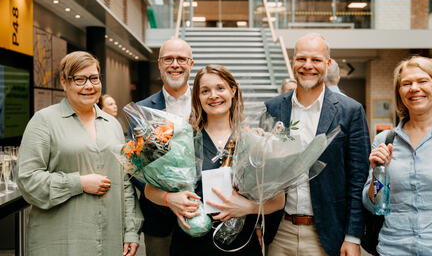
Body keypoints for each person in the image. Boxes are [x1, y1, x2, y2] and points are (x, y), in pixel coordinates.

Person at [144, 64, 285, 256]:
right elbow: (150, 190)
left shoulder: (254, 141)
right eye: (205, 91)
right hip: (191, 244)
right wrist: (170, 199)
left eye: (220, 88)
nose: (213, 95)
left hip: (241, 245)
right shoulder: (183, 140)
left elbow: (278, 201)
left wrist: (249, 207)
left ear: (232, 91)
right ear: (198, 98)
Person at [17, 51, 142, 256]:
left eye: (94, 78)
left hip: (110, 240)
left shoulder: (113, 125)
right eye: (79, 79)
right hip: (61, 241)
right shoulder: (43, 121)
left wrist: (131, 231)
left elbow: (125, 183)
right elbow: (28, 180)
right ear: (64, 82)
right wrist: (79, 183)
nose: (89, 86)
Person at [264, 33, 370, 256]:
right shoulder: (272, 108)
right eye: (301, 59)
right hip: (278, 232)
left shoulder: (350, 111)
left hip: (327, 233)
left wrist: (353, 237)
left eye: (316, 60)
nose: (307, 66)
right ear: (293, 61)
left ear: (328, 64)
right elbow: (261, 174)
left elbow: (358, 178)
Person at [363, 56, 432, 255]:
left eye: (422, 81)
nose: (414, 88)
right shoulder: (384, 140)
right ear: (399, 93)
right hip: (394, 249)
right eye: (406, 84)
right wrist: (379, 171)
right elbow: (374, 206)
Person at [132, 38, 194, 256]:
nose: (175, 64)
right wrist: (166, 195)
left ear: (191, 64)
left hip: (199, 210)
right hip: (158, 218)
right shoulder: (142, 110)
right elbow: (137, 165)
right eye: (168, 59)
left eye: (181, 59)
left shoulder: (206, 102)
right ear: (159, 64)